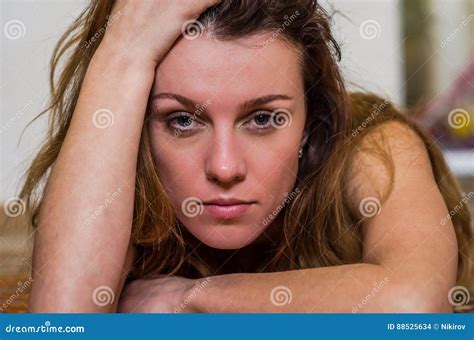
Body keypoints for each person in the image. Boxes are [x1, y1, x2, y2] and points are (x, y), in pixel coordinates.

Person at [20, 0, 472, 313]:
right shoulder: (118, 191)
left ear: (311, 118)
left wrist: (192, 298)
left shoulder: (371, 144)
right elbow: (64, 323)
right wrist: (122, 53)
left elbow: (413, 304)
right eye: (181, 121)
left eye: (262, 119)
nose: (224, 168)